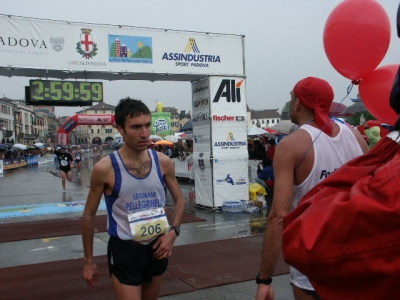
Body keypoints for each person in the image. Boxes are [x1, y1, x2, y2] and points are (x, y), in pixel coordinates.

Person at [256, 77, 369, 300]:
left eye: (291, 100)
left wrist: (265, 279)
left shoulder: (291, 145)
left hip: (312, 262)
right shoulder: (356, 137)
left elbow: (279, 216)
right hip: (354, 258)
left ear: (298, 103)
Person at [82, 97, 185, 300]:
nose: (144, 133)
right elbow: (89, 215)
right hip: (125, 249)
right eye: (136, 127)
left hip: (158, 245)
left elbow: (180, 200)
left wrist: (173, 232)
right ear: (120, 129)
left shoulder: (163, 162)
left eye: (147, 125)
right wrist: (88, 261)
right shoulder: (105, 168)